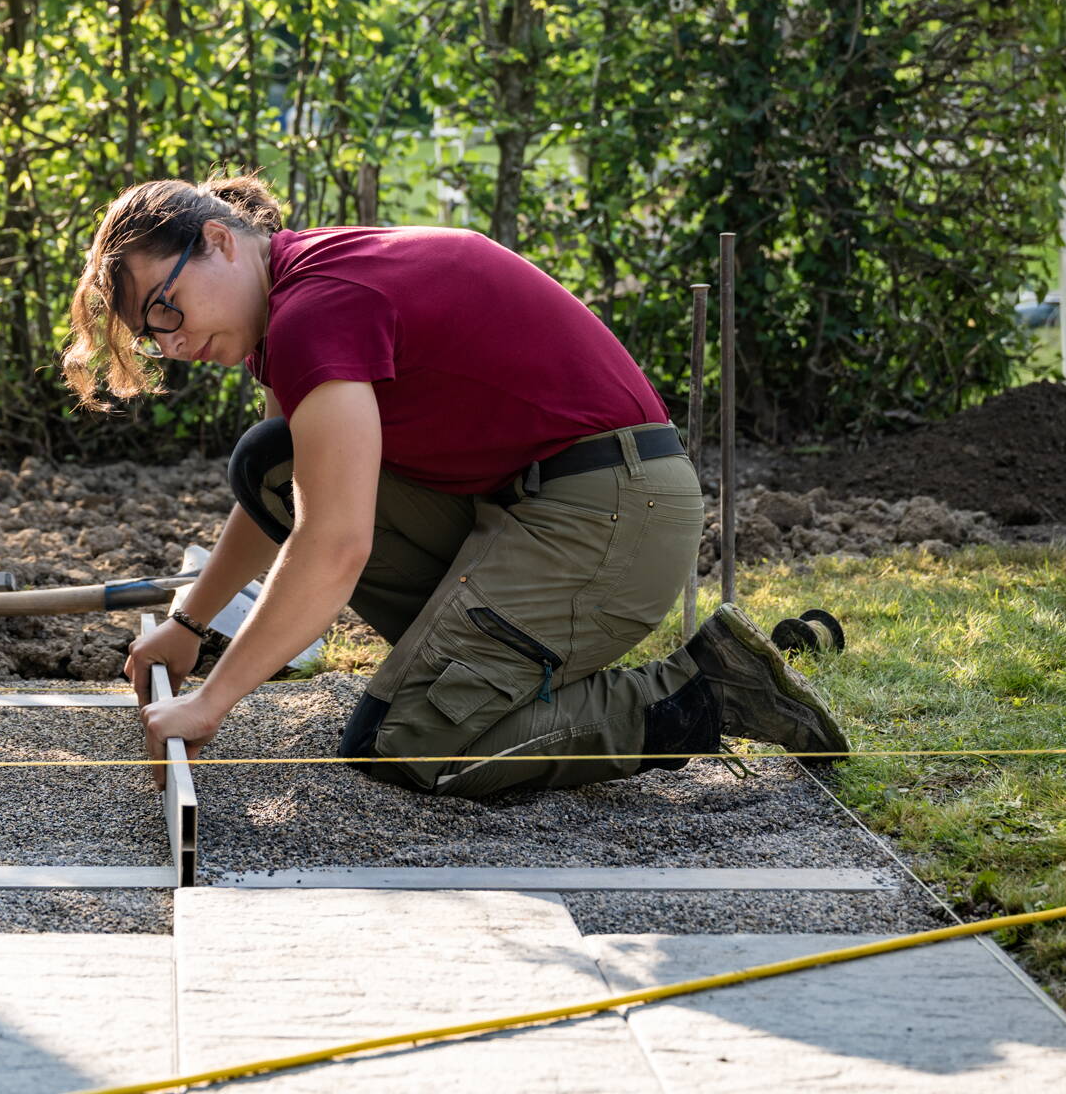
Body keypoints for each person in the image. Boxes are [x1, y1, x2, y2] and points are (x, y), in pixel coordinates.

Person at [61, 175, 849, 799]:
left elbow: (335, 542)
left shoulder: (315, 310)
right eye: (152, 336)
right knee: (267, 460)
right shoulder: (297, 298)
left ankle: (704, 694)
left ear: (218, 242)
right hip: (539, 506)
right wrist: (191, 623)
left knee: (408, 741)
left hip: (612, 516)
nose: (174, 341)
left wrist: (211, 701)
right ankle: (497, 673)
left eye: (167, 307)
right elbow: (293, 495)